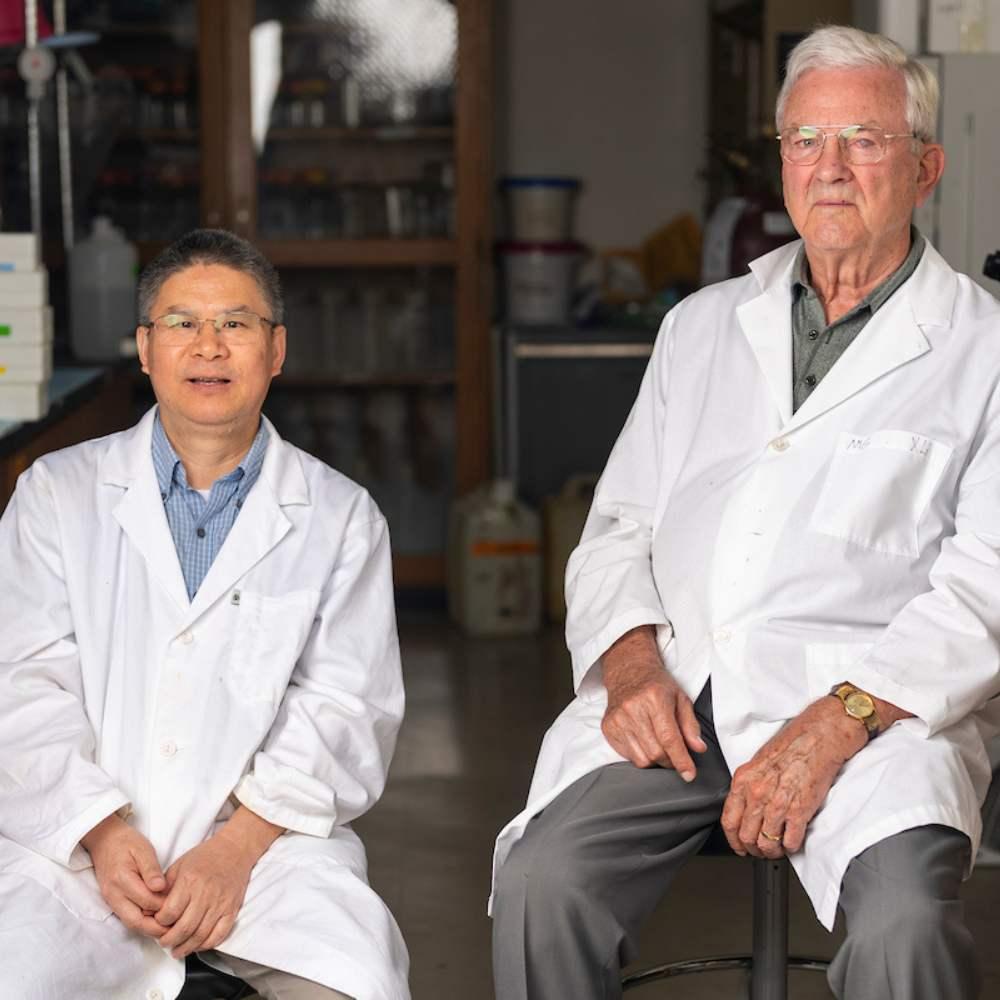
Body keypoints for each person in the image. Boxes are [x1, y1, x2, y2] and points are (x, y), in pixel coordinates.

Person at [491, 25, 1000, 1000]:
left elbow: (982, 589)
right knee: (540, 884)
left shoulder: (980, 349)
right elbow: (618, 529)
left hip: (875, 716)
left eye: (865, 139)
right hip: (682, 696)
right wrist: (633, 667)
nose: (831, 168)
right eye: (805, 142)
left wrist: (839, 719)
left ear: (925, 167)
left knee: (902, 931)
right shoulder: (702, 326)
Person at [0, 230, 409, 1000]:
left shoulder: (341, 515)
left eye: (237, 323)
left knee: (358, 985)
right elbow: (17, 685)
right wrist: (101, 828)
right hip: (77, 852)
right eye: (183, 322)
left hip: (268, 854)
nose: (209, 346)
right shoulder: (56, 496)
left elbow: (346, 709)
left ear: (276, 349)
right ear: (145, 348)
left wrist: (234, 852)